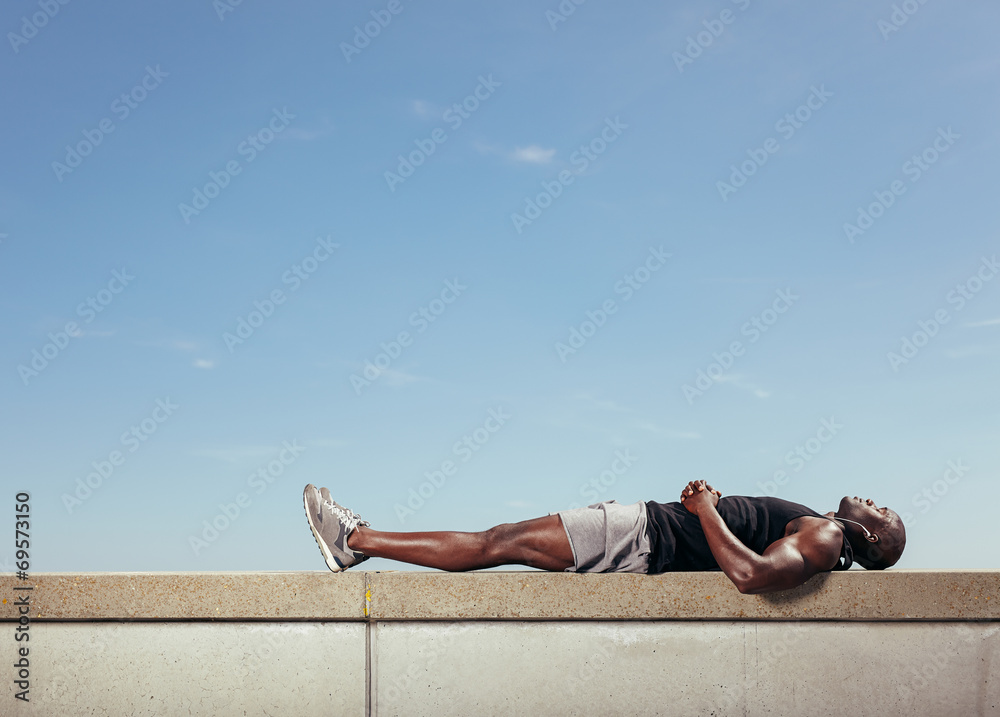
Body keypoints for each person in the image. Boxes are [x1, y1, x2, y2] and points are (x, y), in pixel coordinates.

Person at [302, 480, 906, 594]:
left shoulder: (827, 536)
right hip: (644, 537)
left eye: (882, 512)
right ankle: (360, 540)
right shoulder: (822, 533)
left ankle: (357, 539)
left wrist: (703, 509)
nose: (872, 499)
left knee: (497, 542)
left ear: (871, 539)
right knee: (500, 542)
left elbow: (752, 576)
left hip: (643, 535)